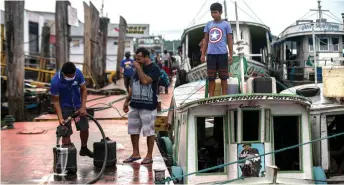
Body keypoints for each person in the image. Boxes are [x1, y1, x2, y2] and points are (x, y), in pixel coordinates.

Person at [122, 47, 160, 165]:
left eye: (139, 58)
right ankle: (135, 153)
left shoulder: (154, 68)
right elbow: (134, 86)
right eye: (136, 58)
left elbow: (145, 81)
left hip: (148, 105)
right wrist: (127, 101)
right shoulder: (137, 69)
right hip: (135, 104)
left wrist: (138, 68)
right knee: (133, 129)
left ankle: (149, 155)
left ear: (146, 57)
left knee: (149, 131)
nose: (136, 61)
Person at [50, 62, 93, 158]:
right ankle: (68, 158)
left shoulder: (78, 73)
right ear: (64, 73)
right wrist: (60, 118)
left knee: (84, 127)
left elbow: (84, 90)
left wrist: (83, 107)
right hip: (65, 107)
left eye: (73, 75)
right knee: (65, 131)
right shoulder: (55, 82)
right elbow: (56, 101)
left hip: (78, 106)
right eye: (70, 76)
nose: (72, 77)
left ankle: (84, 148)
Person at [201, 2, 233, 97]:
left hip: (222, 54)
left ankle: (224, 96)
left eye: (215, 12)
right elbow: (205, 40)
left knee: (224, 77)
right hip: (211, 55)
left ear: (220, 12)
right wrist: (203, 54)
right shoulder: (208, 24)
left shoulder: (226, 25)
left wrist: (230, 54)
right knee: (211, 78)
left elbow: (230, 41)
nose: (213, 14)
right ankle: (211, 96)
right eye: (212, 13)